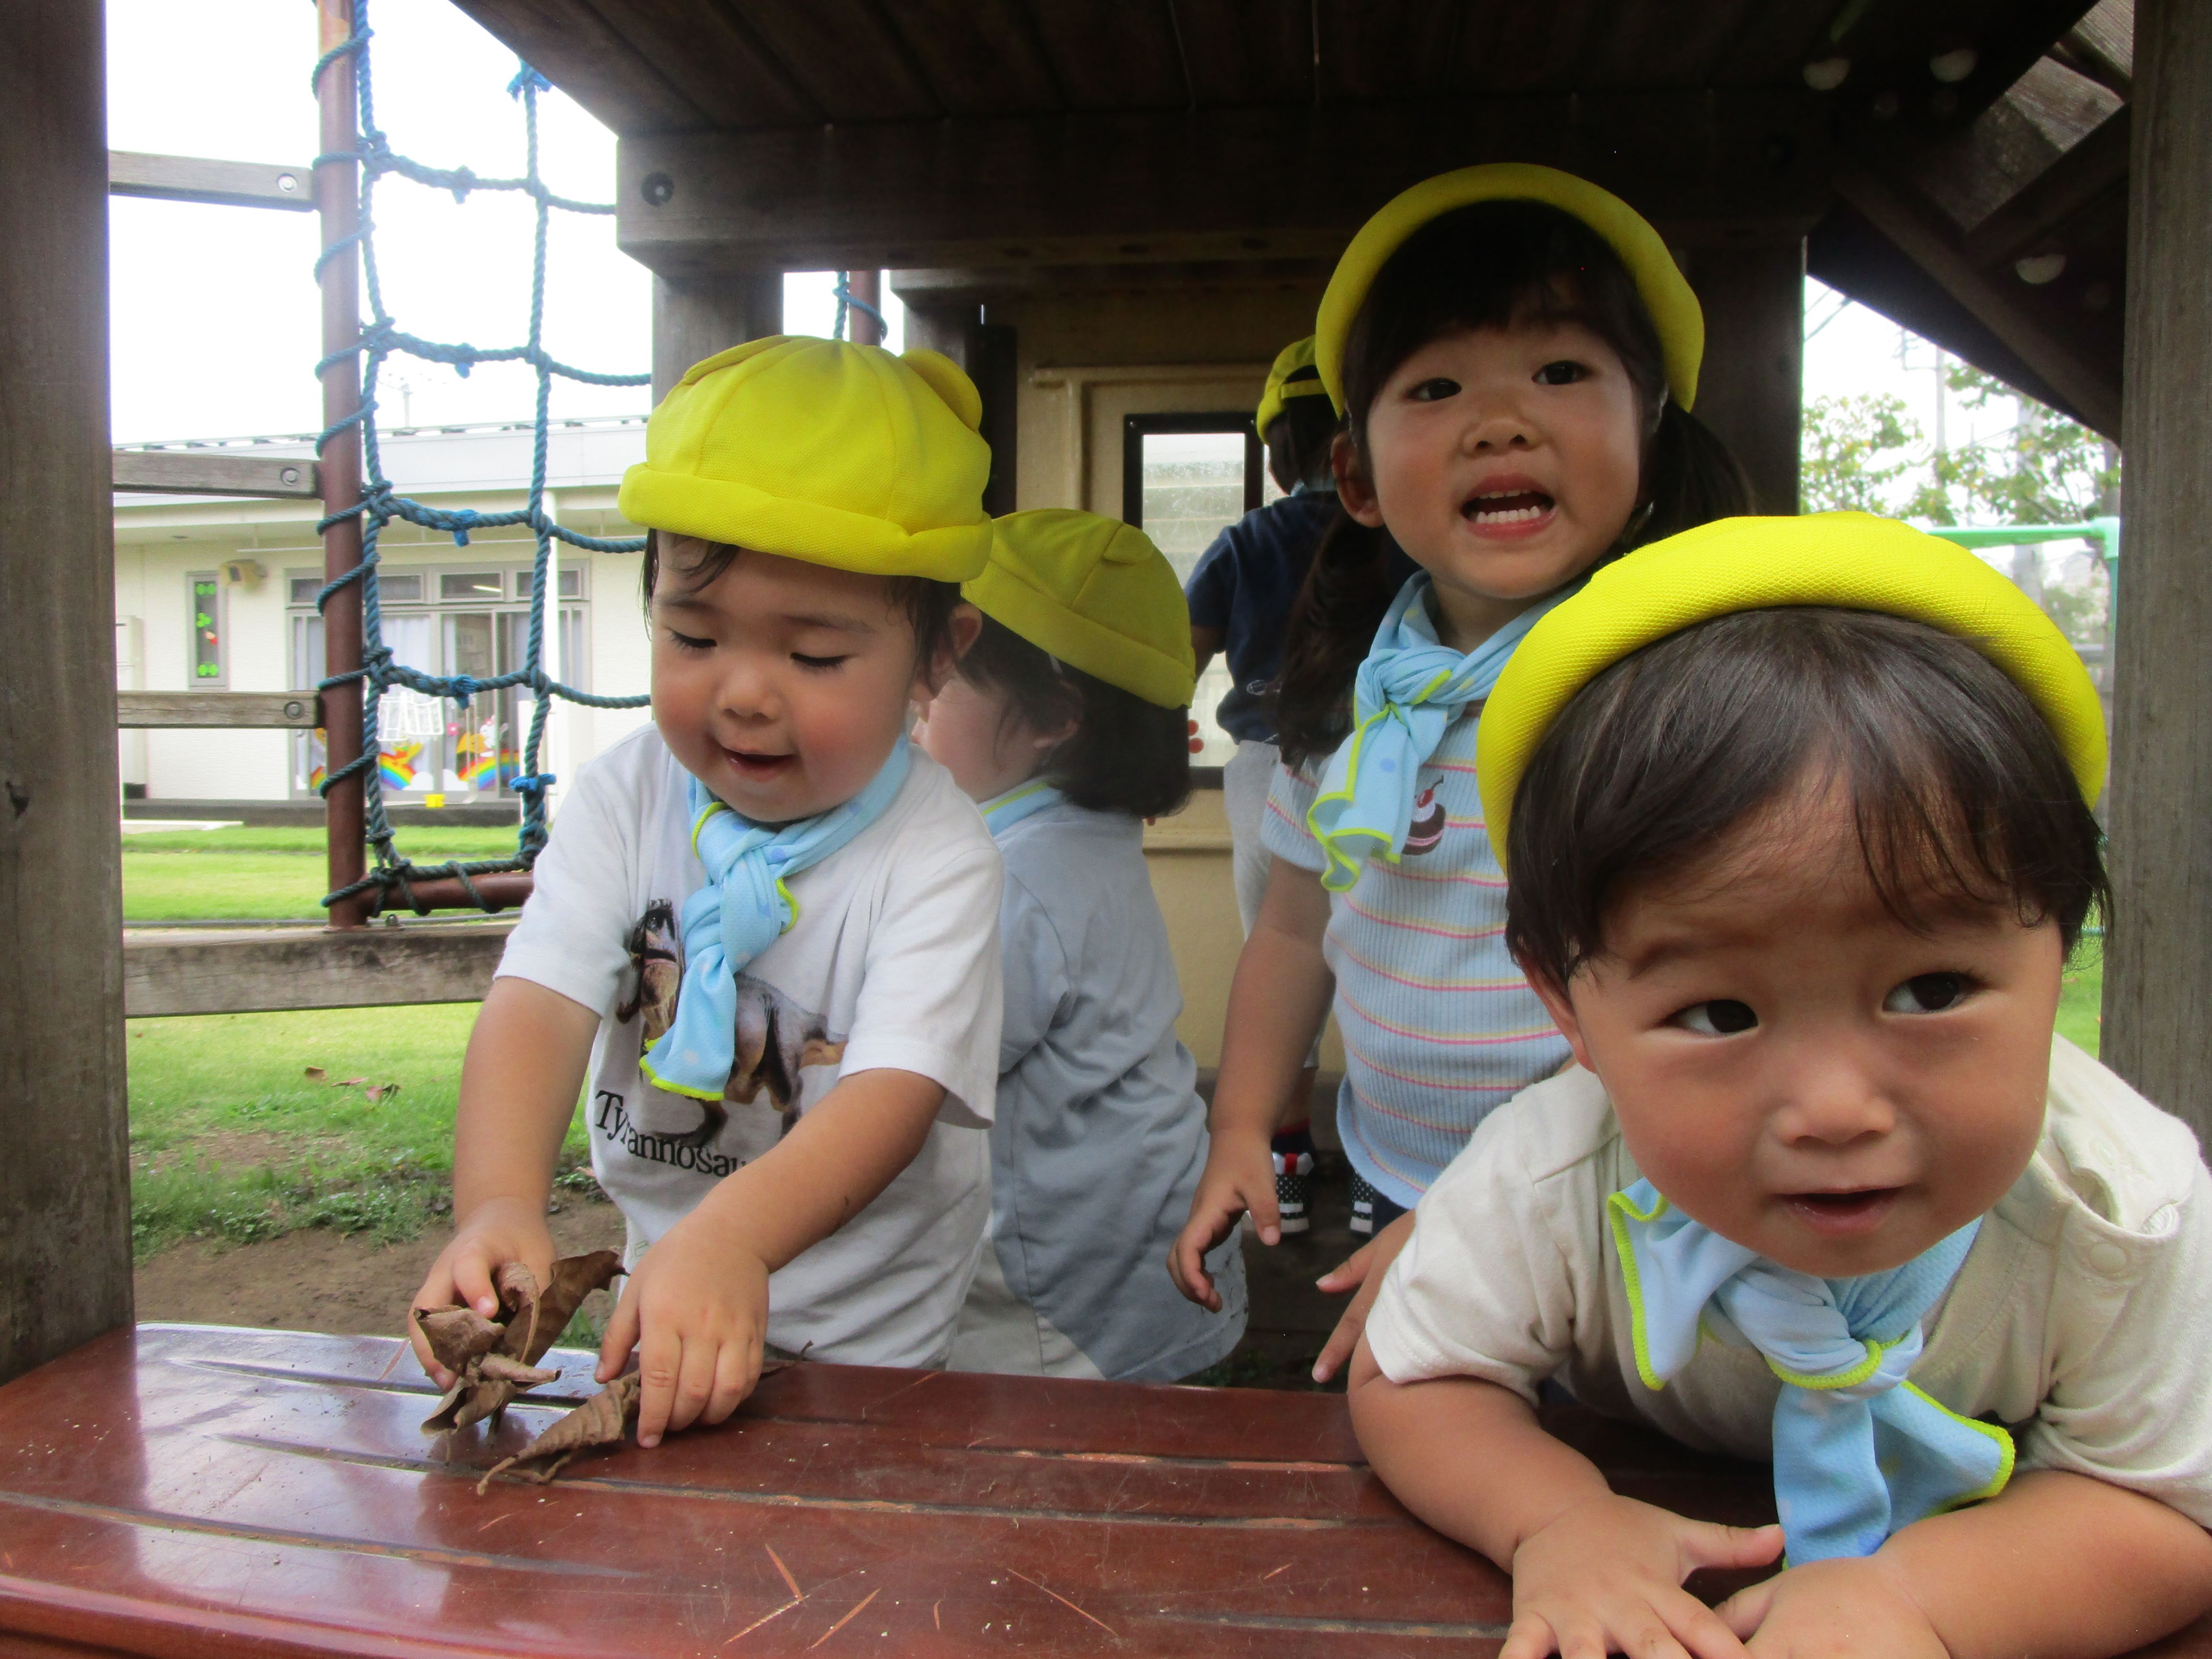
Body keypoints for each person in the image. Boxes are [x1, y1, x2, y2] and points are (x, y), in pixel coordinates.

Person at [1351, 513, 2212, 1659]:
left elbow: (2164, 1498)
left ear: (2060, 947)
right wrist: (1555, 1519)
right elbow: (1414, 1377)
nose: (1836, 1110)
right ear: (1564, 1003)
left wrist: (1921, 1602)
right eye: (1720, 1015)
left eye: (1931, 990)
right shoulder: (1545, 1177)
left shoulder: (2125, 1210)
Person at [1169, 164, 1749, 1369]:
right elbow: (1294, 931)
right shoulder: (1351, 696)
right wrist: (1238, 1124)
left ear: (1651, 436)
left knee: (1597, 1449)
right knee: (1413, 1441)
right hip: (1398, 1169)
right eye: (1436, 387)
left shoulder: (1668, 698)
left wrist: (1496, 1212)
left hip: (1619, 1197)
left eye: (1560, 372)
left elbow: (1716, 1000)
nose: (1500, 421)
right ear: (1358, 479)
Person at [407, 337, 1007, 1452]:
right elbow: (538, 1005)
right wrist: (498, 1202)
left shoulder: (938, 854)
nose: (743, 694)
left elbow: (893, 1092)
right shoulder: (624, 799)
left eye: (815, 657)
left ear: (938, 658)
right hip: (668, 1295)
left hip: (868, 1341)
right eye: (693, 635)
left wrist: (734, 1240)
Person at [921, 508, 1248, 1382]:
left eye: (941, 677)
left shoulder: (1015, 881)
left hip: (1074, 1310)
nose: (911, 700)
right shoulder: (1079, 840)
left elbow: (917, 1070)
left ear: (1052, 720)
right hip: (1147, 1255)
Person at [1184, 337, 1413, 1234]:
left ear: (1277, 451)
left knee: (1279, 947)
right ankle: (1379, 1167)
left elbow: (1181, 657)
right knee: (1390, 950)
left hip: (1275, 760)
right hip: (1409, 747)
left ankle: (1282, 1152)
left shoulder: (1248, 541)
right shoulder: (1407, 532)